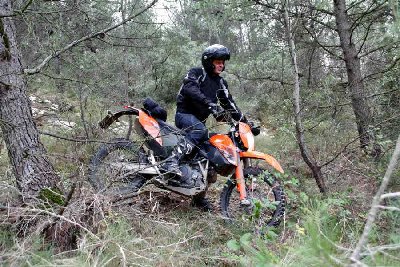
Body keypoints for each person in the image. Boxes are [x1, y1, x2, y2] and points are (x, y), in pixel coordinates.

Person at [161, 44, 246, 211]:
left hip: (198, 122)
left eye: (223, 62)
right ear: (209, 62)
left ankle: (198, 199)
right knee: (200, 130)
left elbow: (230, 105)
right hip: (183, 116)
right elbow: (190, 88)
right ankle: (171, 161)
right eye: (218, 62)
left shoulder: (221, 83)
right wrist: (210, 104)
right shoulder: (196, 73)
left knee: (208, 155)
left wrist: (246, 123)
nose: (221, 65)